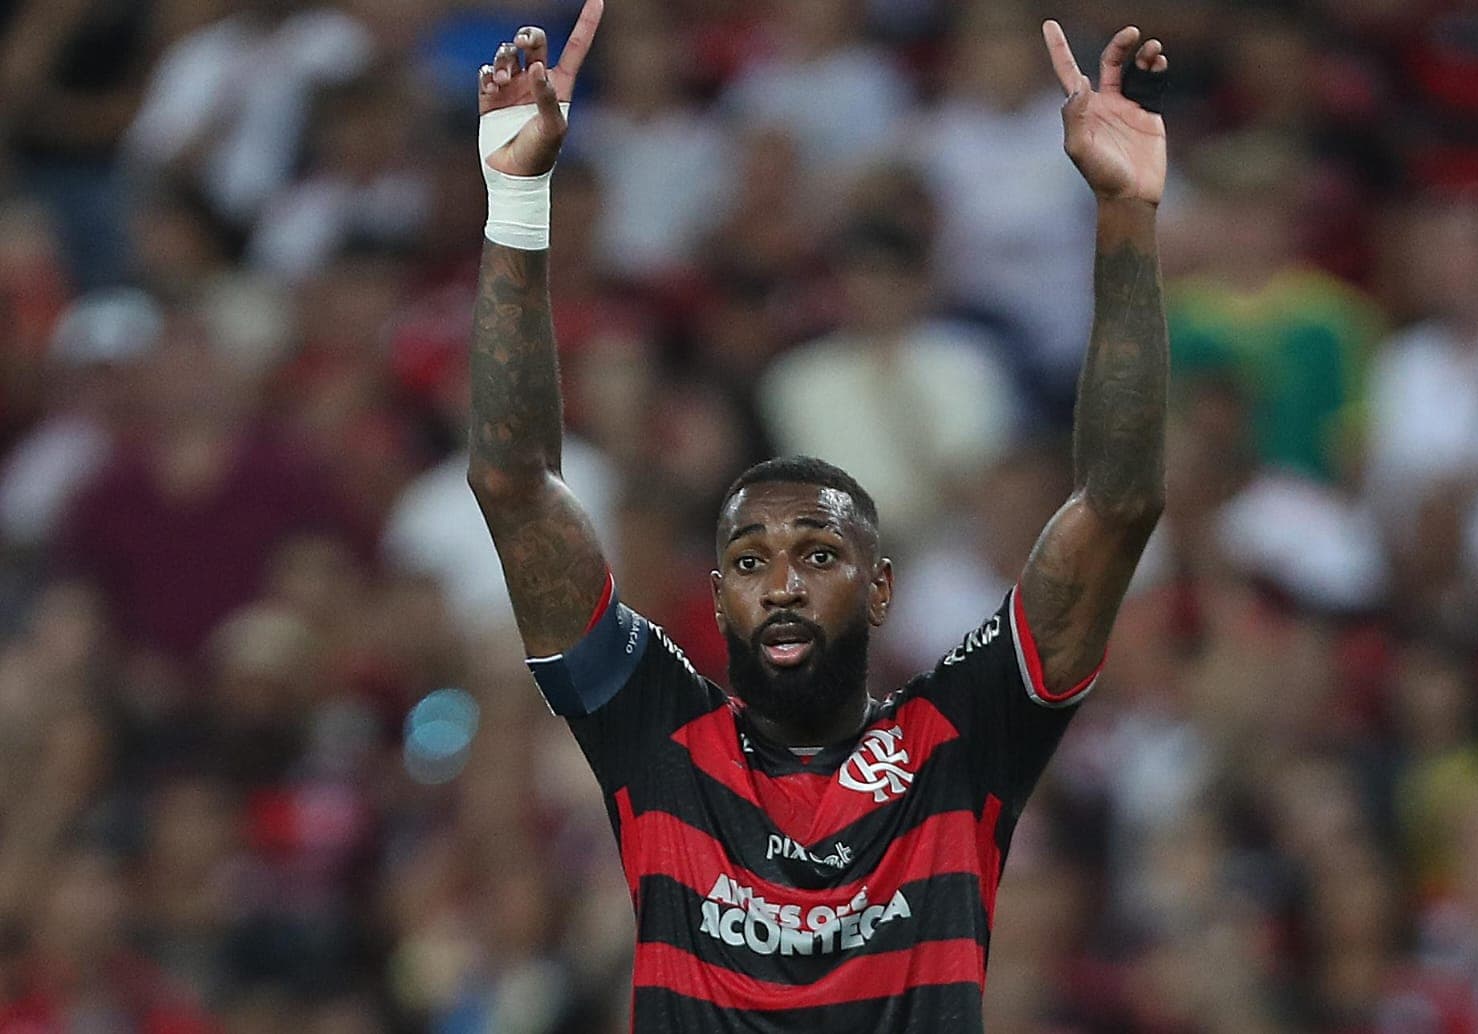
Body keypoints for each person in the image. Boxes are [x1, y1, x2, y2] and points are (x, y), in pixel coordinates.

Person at [466, 2, 1170, 1029]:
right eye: (749, 558)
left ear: (880, 586)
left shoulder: (958, 742)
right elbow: (515, 484)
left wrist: (1126, 217)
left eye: (819, 550)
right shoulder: (657, 734)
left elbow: (1118, 504)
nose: (782, 578)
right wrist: (518, 199)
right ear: (716, 597)